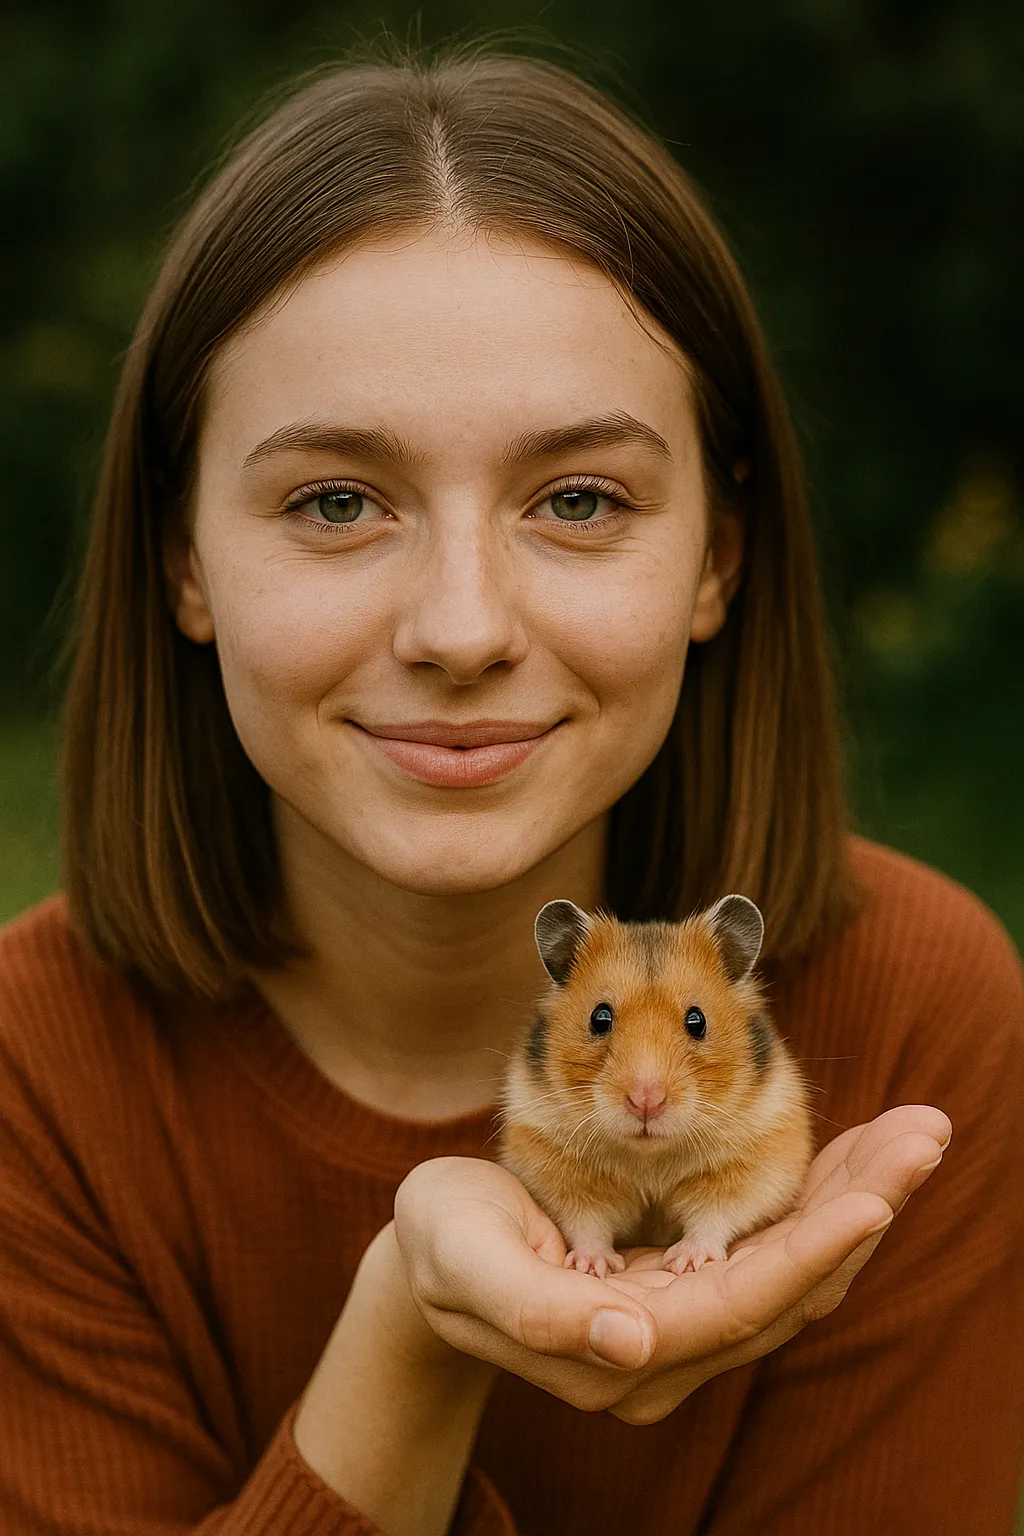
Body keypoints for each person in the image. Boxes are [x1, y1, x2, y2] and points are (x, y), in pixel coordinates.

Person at [0, 46, 1020, 1536]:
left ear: (718, 559)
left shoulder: (915, 1024)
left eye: (580, 499)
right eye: (337, 501)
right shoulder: (32, 1082)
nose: (463, 629)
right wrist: (407, 1354)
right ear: (184, 562)